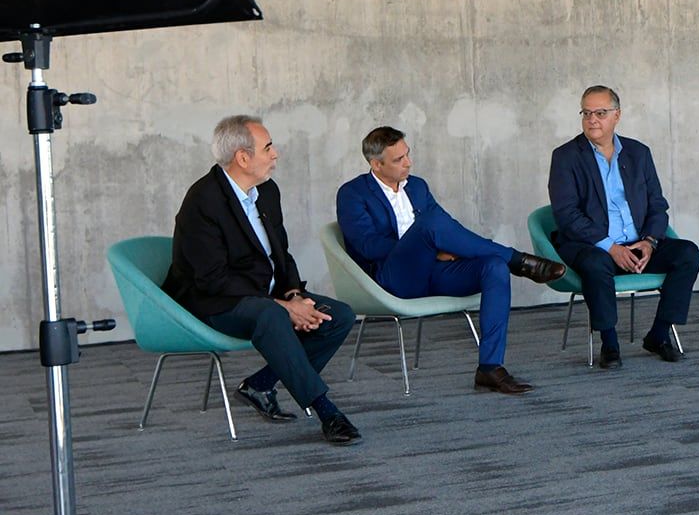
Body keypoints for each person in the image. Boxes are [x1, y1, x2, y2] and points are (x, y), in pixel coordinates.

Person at [163, 115, 361, 445]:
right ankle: (328, 412)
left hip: (262, 297)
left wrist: (295, 295)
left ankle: (261, 384)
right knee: (270, 315)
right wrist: (282, 306)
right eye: (267, 147)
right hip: (211, 302)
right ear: (243, 157)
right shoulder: (203, 201)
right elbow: (212, 280)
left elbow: (280, 255)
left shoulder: (266, 192)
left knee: (337, 315)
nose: (275, 154)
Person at [336, 126, 567, 395]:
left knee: (493, 267)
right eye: (399, 160)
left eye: (407, 154)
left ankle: (490, 368)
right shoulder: (352, 193)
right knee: (430, 224)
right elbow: (368, 245)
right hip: (393, 279)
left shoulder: (418, 186)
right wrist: (427, 248)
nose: (408, 163)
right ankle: (519, 260)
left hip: (434, 273)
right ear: (376, 164)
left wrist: (439, 248)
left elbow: (448, 228)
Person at [547, 85, 699, 370]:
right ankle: (610, 343)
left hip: (638, 243)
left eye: (601, 113)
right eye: (587, 112)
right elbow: (567, 215)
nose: (592, 119)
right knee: (595, 264)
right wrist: (611, 247)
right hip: (593, 246)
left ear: (617, 115)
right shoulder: (566, 157)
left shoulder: (638, 153)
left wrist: (650, 242)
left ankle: (658, 333)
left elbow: (657, 205)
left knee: (688, 253)